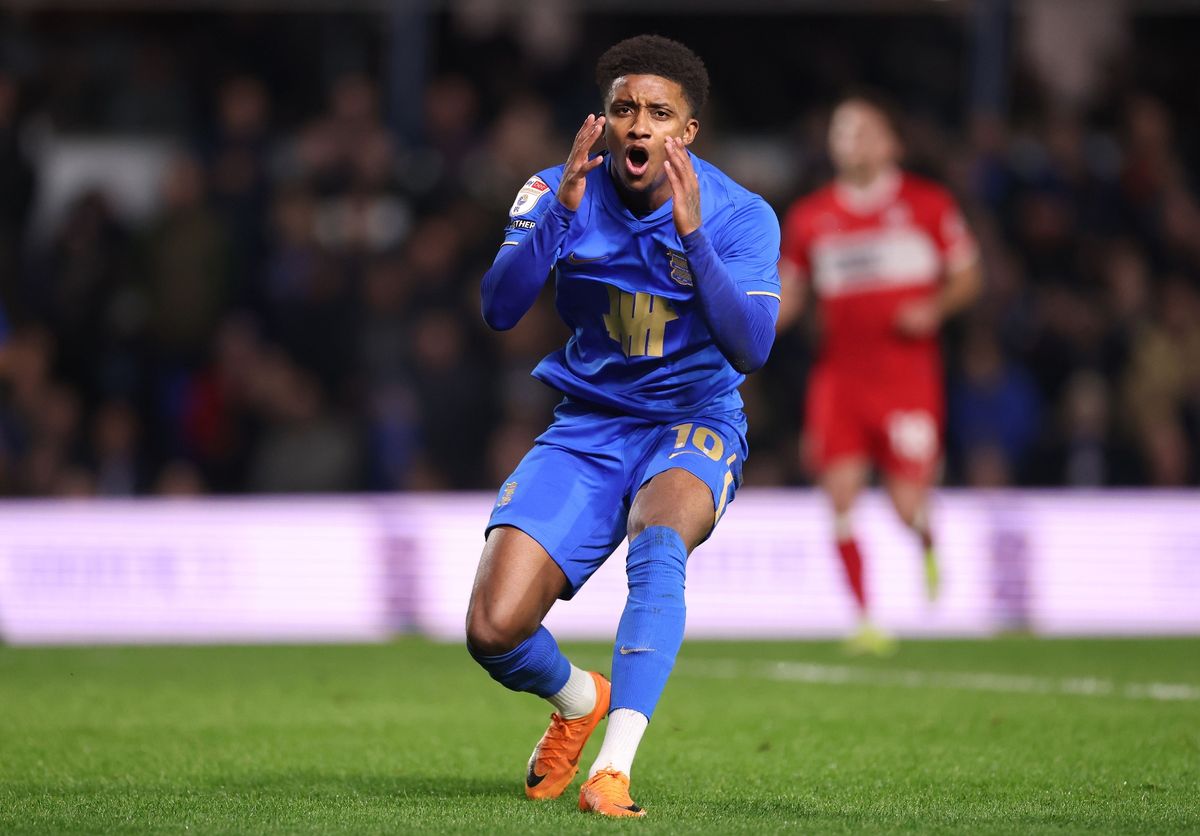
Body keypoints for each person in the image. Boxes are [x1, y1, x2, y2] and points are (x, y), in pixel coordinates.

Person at [465, 35, 780, 818]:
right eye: (624, 109)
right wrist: (560, 219)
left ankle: (613, 771)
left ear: (688, 131)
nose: (639, 125)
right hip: (590, 424)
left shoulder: (740, 215)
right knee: (493, 629)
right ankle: (580, 700)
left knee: (659, 538)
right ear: (602, 120)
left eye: (659, 113)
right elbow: (498, 309)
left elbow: (752, 347)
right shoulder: (553, 190)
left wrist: (693, 238)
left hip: (692, 419)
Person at [778, 95, 982, 654]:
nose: (851, 141)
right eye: (842, 131)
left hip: (906, 380)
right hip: (840, 380)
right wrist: (746, 329)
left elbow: (968, 275)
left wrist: (934, 308)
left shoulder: (928, 204)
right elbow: (790, 293)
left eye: (864, 130)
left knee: (904, 504)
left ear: (892, 143)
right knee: (839, 494)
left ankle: (927, 537)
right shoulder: (810, 217)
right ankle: (865, 618)